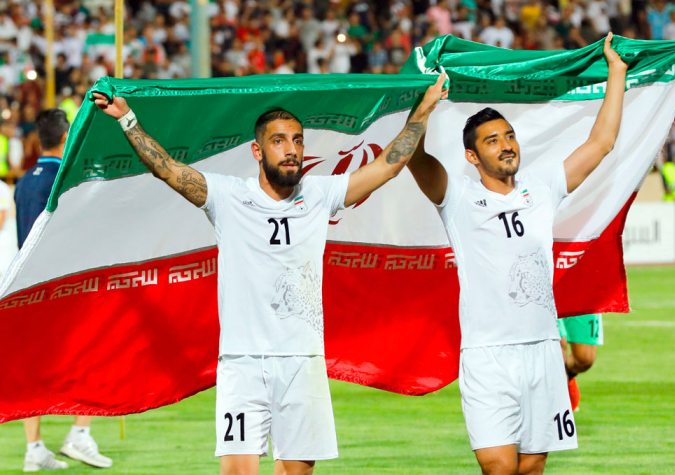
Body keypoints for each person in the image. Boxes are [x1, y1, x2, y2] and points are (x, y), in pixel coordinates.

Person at [93, 74, 447, 475]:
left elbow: (389, 164)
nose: (291, 149)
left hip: (302, 361)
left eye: (297, 140)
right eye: (279, 141)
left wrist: (425, 108)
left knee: (297, 472)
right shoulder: (228, 196)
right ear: (257, 151)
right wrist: (127, 119)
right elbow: (168, 170)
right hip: (242, 362)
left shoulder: (320, 194)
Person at [406, 33, 626, 474]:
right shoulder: (457, 197)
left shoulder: (541, 188)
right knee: (498, 466)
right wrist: (423, 108)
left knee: (532, 467)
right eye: (491, 140)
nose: (506, 144)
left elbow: (600, 143)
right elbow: (413, 156)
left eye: (509, 136)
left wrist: (616, 72)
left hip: (543, 349)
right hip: (487, 354)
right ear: (472, 156)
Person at [15, 109, 113, 472]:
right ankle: (80, 433)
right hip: (63, 286)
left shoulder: (24, 182)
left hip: (28, 286)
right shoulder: (65, 179)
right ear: (65, 137)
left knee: (33, 371)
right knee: (99, 351)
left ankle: (34, 448)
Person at [558, 313, 604, 411]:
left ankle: (567, 379)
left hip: (578, 302)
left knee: (585, 359)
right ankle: (558, 410)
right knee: (557, 345)